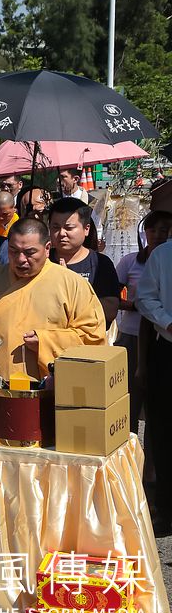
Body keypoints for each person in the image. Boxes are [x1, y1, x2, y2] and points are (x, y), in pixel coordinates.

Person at [0, 218, 106, 412]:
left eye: (30, 252)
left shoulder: (72, 284)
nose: (21, 259)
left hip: (47, 391)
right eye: (14, 251)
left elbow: (93, 337)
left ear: (47, 248)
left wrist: (46, 341)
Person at [116, 211, 172, 434]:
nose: (158, 234)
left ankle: (151, 466)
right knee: (132, 395)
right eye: (153, 230)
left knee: (157, 410)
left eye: (164, 230)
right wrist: (134, 306)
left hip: (155, 333)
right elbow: (117, 293)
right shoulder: (133, 260)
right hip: (135, 334)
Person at [136, 228, 172, 533]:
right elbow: (144, 298)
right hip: (168, 350)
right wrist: (168, 321)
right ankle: (165, 509)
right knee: (163, 433)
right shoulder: (162, 254)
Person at [48, 197, 121, 326]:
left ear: (86, 229)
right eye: (55, 227)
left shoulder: (100, 263)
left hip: (87, 340)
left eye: (69, 228)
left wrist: (70, 287)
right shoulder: (43, 261)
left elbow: (110, 311)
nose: (61, 233)